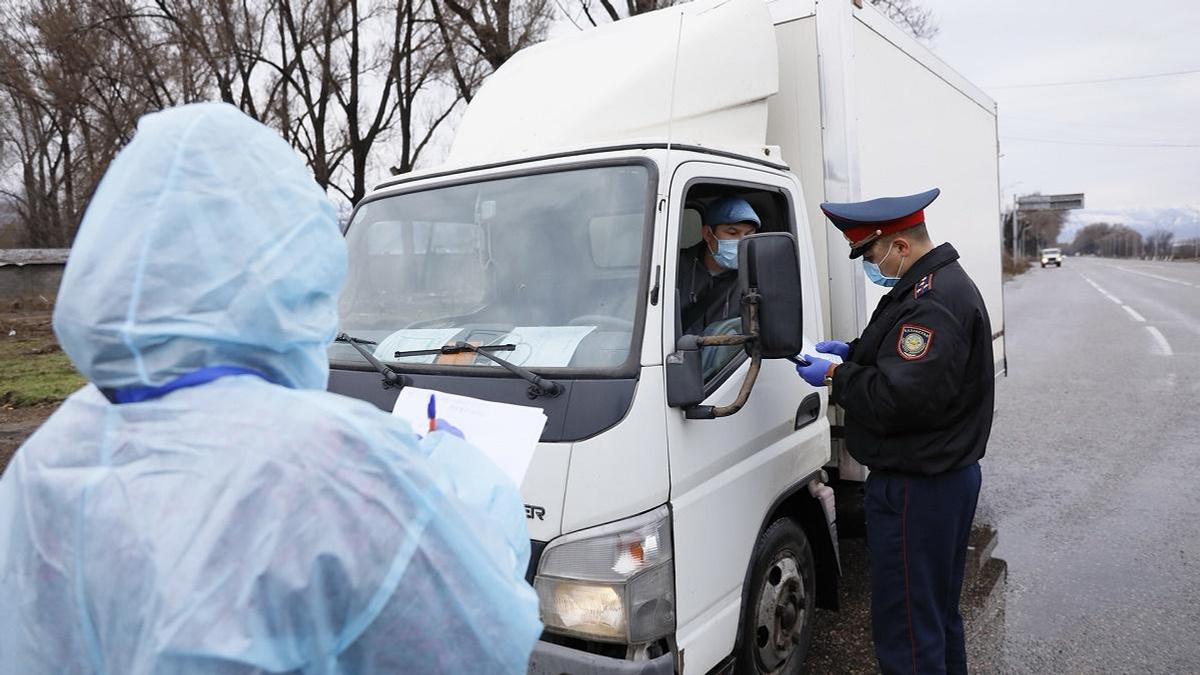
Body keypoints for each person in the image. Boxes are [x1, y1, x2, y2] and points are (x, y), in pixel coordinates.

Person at [0, 103, 541, 674]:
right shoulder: (331, 468)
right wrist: (475, 500)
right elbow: (479, 645)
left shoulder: (48, 455)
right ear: (291, 270)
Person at [794, 188, 993, 675]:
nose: (869, 265)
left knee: (907, 626)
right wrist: (852, 352)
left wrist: (838, 377)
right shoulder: (926, 287)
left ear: (901, 246)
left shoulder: (933, 302)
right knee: (935, 615)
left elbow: (899, 398)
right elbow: (897, 360)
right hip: (938, 478)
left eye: (870, 254)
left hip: (918, 485)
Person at [676, 196, 760, 337]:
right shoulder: (676, 267)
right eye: (732, 233)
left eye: (748, 234)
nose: (741, 241)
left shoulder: (754, 276)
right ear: (708, 234)